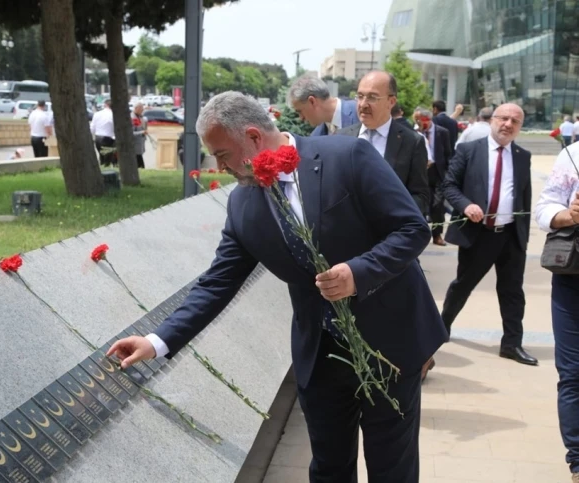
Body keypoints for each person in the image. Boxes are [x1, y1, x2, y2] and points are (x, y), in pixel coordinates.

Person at [107, 91, 446, 483]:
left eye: (222, 155)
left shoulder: (348, 157)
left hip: (391, 346)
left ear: (253, 137)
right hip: (321, 358)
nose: (220, 167)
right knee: (329, 468)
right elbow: (217, 283)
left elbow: (412, 228)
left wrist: (358, 273)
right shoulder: (242, 205)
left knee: (392, 469)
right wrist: (157, 341)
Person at [441, 103, 536, 366]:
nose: (508, 124)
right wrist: (465, 205)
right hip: (478, 234)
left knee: (513, 292)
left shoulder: (522, 156)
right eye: (504, 118)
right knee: (462, 285)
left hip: (510, 235)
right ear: (492, 120)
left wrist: (523, 238)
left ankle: (512, 344)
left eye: (515, 121)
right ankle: (440, 329)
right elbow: (448, 185)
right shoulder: (469, 150)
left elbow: (524, 198)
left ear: (519, 127)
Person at [534, 140, 579, 482]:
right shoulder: (574, 154)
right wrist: (568, 214)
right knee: (574, 374)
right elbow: (545, 208)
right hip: (573, 279)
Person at [336, 71, 430, 215]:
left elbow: (421, 197)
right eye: (360, 96)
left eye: (372, 98)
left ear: (391, 102)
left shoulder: (412, 142)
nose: (363, 104)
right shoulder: (341, 137)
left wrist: (393, 217)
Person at [414, 107, 453, 246]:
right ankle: (420, 234)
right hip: (420, 173)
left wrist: (448, 175)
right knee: (420, 205)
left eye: (420, 120)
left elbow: (448, 153)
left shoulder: (442, 132)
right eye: (416, 120)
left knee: (437, 206)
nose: (418, 123)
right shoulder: (414, 133)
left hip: (437, 173)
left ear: (428, 120)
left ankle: (437, 234)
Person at [287, 75, 358, 136]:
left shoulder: (360, 113)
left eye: (300, 111)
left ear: (312, 101)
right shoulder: (316, 136)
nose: (301, 118)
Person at [90, 99, 115, 166]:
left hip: (98, 138)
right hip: (108, 139)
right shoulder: (113, 115)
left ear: (105, 105)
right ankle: (106, 171)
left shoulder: (97, 114)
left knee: (102, 157)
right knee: (108, 159)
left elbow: (92, 128)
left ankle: (102, 168)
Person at [132, 103, 148, 169]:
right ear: (136, 109)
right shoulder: (132, 117)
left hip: (140, 143)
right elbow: (131, 133)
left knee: (140, 163)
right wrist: (142, 132)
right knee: (140, 165)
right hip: (135, 145)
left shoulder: (140, 117)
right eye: (141, 109)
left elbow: (142, 126)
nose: (142, 111)